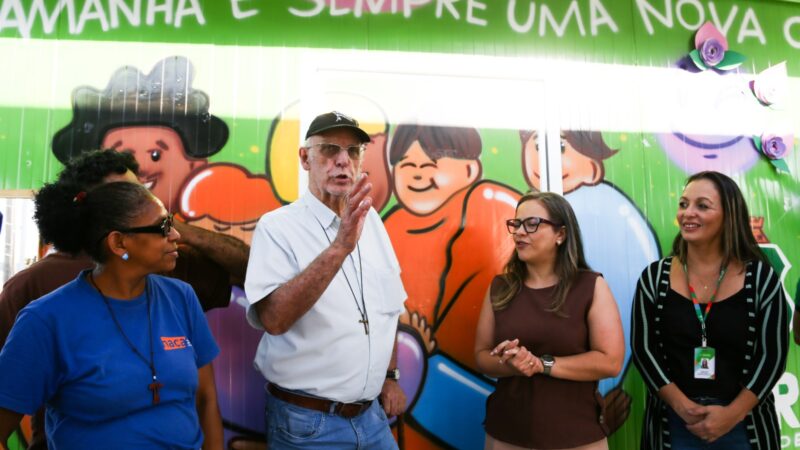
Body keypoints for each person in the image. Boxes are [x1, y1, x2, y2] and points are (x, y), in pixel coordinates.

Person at [0, 150, 244, 450]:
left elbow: (205, 398)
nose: (177, 235)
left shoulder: (180, 297)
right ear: (119, 242)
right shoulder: (45, 319)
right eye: (163, 227)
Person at [245, 111, 407, 449]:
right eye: (330, 149)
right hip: (307, 424)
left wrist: (390, 377)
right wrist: (340, 247)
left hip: (371, 418)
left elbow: (389, 308)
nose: (342, 161)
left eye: (353, 151)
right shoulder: (277, 227)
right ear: (305, 158)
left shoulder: (372, 222)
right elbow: (274, 320)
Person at [631, 171, 789, 449]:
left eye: (702, 205)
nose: (687, 213)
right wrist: (682, 407)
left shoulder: (762, 278)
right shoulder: (654, 278)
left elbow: (772, 356)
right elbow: (644, 350)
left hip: (744, 425)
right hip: (672, 424)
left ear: (729, 215)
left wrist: (731, 415)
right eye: (683, 204)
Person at [474, 191, 624, 450]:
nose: (520, 232)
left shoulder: (590, 286)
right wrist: (514, 363)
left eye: (532, 224)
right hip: (507, 433)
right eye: (516, 224)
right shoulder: (501, 287)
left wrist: (541, 364)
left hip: (577, 436)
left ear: (561, 234)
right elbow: (481, 356)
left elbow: (610, 362)